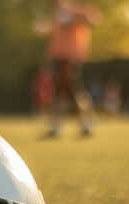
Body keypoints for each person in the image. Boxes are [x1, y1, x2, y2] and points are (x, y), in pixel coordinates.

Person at [43, 0, 97, 138]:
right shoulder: (56, 16)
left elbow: (92, 21)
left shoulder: (75, 11)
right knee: (60, 92)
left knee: (73, 91)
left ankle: (86, 124)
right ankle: (58, 126)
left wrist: (73, 20)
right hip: (58, 58)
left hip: (71, 58)